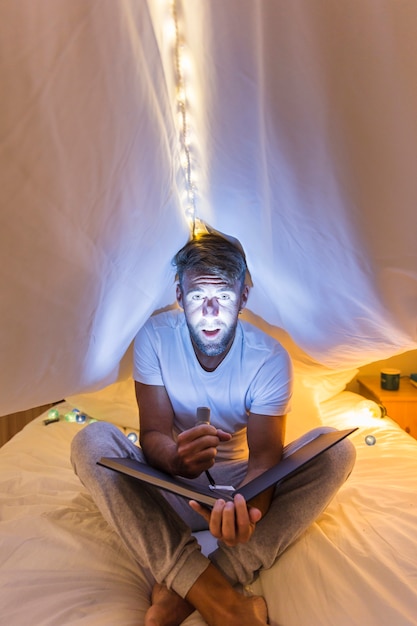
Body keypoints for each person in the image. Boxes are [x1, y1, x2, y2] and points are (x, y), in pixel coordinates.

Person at [71, 231, 356, 626]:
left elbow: (264, 463)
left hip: (241, 488)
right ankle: (225, 601)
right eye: (196, 296)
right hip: (169, 488)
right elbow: (152, 433)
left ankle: (189, 586)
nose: (209, 311)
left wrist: (249, 514)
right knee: (91, 440)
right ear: (178, 294)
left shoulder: (269, 359)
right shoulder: (154, 337)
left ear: (242, 298)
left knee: (337, 451)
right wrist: (177, 459)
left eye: (222, 297)